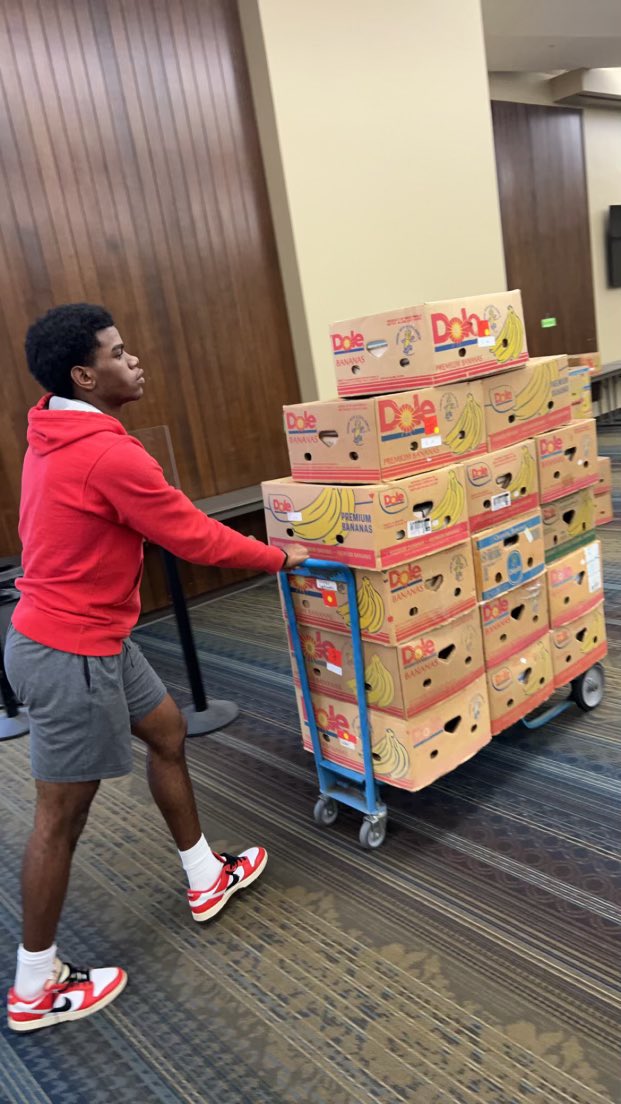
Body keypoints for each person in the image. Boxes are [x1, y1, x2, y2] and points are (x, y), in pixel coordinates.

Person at [4, 303, 308, 1033]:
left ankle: (205, 875)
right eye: (116, 352)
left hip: (97, 636)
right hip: (68, 653)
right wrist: (279, 556)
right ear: (85, 374)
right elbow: (194, 538)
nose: (133, 359)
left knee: (167, 733)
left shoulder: (53, 424)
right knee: (60, 819)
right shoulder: (107, 453)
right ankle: (33, 986)